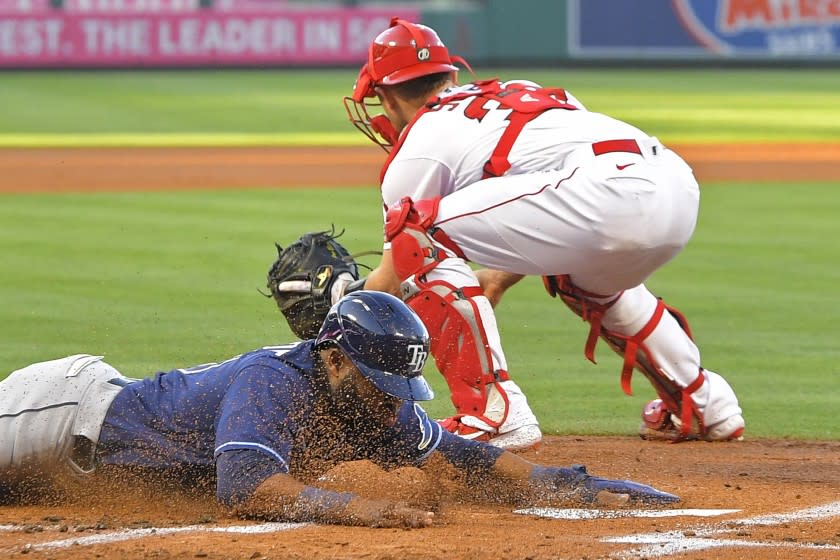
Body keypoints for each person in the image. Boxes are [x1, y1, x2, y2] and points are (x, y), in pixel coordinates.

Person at [340, 18, 745, 449]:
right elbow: (550, 202)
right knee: (584, 280)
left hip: (606, 195)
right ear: (452, 75)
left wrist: (338, 311)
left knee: (419, 232)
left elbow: (391, 276)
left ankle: (493, 410)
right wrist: (497, 275)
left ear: (382, 95)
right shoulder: (522, 89)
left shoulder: (418, 146)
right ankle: (704, 403)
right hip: (674, 184)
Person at [0, 291, 678, 528]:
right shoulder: (275, 379)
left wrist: (570, 487)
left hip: (85, 456)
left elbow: (459, 460)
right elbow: (245, 490)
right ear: (334, 359)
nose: (393, 409)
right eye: (381, 386)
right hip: (62, 411)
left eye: (399, 393)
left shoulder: (370, 405)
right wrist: (366, 511)